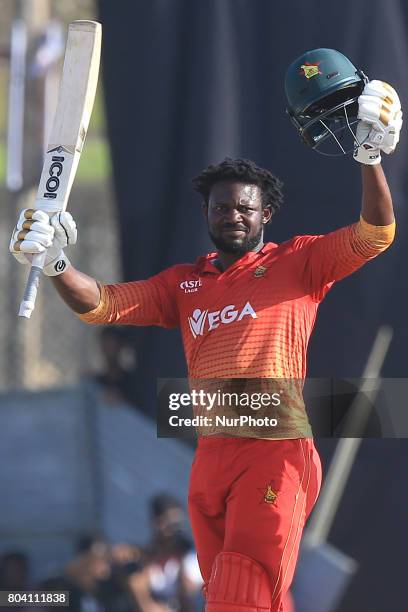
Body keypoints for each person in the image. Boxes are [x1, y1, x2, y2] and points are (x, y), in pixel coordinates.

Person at [10, 74, 400, 611]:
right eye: (222, 208)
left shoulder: (298, 263)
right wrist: (55, 263)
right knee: (225, 597)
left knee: (248, 592)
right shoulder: (183, 285)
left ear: (266, 215)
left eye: (245, 208)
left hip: (275, 448)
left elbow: (376, 233)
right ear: (206, 214)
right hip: (211, 458)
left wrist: (369, 157)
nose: (233, 216)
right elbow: (100, 303)